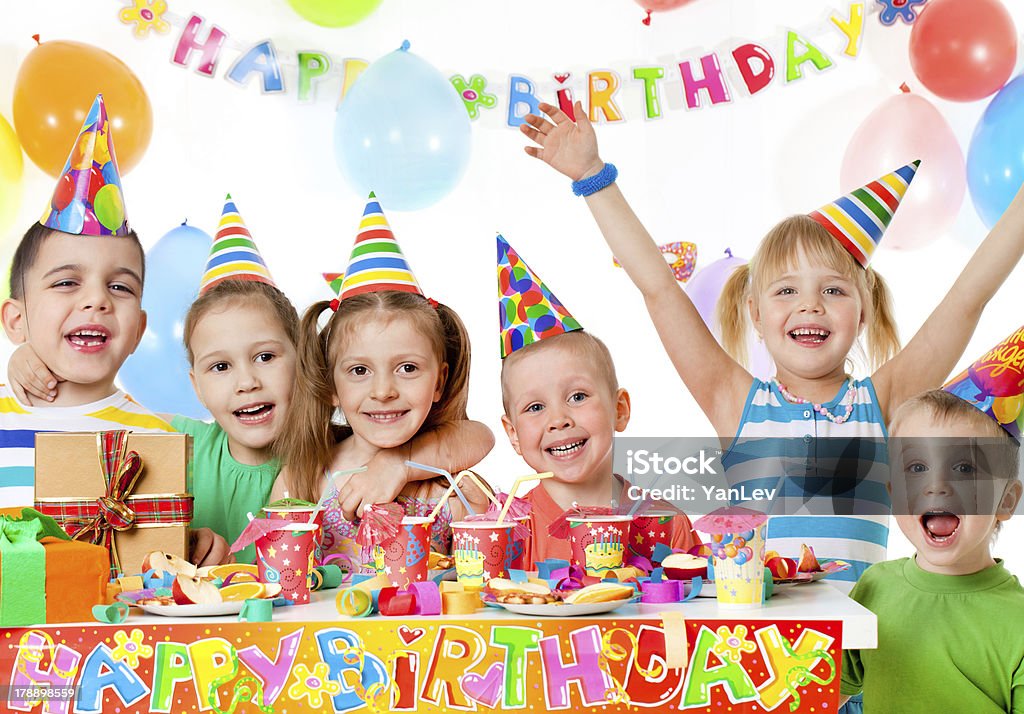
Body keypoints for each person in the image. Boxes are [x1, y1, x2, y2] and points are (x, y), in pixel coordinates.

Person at [519, 100, 1024, 589]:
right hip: (758, 651)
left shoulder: (883, 403)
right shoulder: (736, 401)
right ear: (757, 315)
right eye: (787, 291)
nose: (810, 306)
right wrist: (592, 176)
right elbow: (659, 289)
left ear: (863, 311)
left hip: (860, 658)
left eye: (833, 290)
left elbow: (967, 299)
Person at [0, 95, 229, 565]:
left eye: (120, 288)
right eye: (67, 282)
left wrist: (190, 549)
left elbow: (151, 564)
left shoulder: (154, 440)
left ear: (139, 329)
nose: (97, 300)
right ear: (16, 320)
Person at [271, 193, 493, 562]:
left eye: (407, 368)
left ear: (438, 382)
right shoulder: (302, 482)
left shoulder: (450, 488)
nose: (384, 391)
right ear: (331, 386)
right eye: (359, 370)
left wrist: (401, 465)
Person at [496, 235, 700, 566]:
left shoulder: (666, 524)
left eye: (577, 396)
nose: (559, 419)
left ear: (619, 410)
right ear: (513, 434)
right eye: (535, 407)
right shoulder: (506, 530)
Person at [840, 382, 1024, 712]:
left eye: (965, 468)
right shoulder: (873, 587)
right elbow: (823, 697)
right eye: (917, 468)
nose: (936, 485)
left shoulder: (1018, 622)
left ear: (1006, 500)